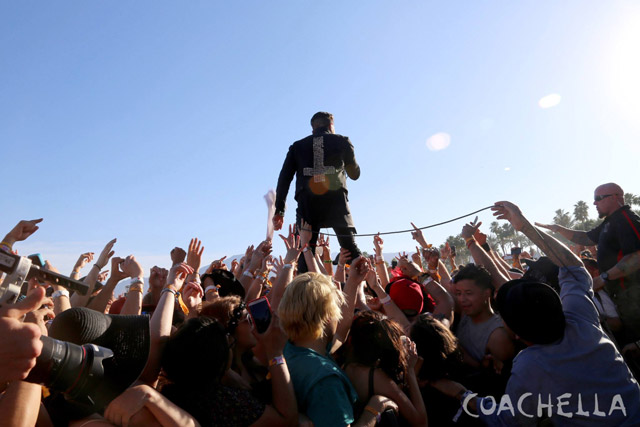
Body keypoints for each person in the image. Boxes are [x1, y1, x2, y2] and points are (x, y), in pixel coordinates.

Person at [433, 201, 640, 426]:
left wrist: (462, 395)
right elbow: (574, 267)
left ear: (514, 331)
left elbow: (508, 419)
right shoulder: (580, 317)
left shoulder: (530, 365)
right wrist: (524, 226)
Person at [536, 183, 640, 344]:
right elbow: (585, 238)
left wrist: (604, 277)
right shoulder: (611, 222)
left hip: (634, 298)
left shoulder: (626, 219)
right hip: (622, 297)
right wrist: (558, 229)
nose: (594, 203)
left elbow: (637, 256)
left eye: (598, 198)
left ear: (615, 197)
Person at [273, 111, 361, 271]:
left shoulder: (297, 147)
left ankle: (303, 294)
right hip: (336, 201)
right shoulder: (342, 141)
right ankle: (369, 287)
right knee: (349, 248)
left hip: (308, 202)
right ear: (331, 126)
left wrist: (279, 210)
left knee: (305, 248)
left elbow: (284, 179)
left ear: (313, 129)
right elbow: (355, 174)